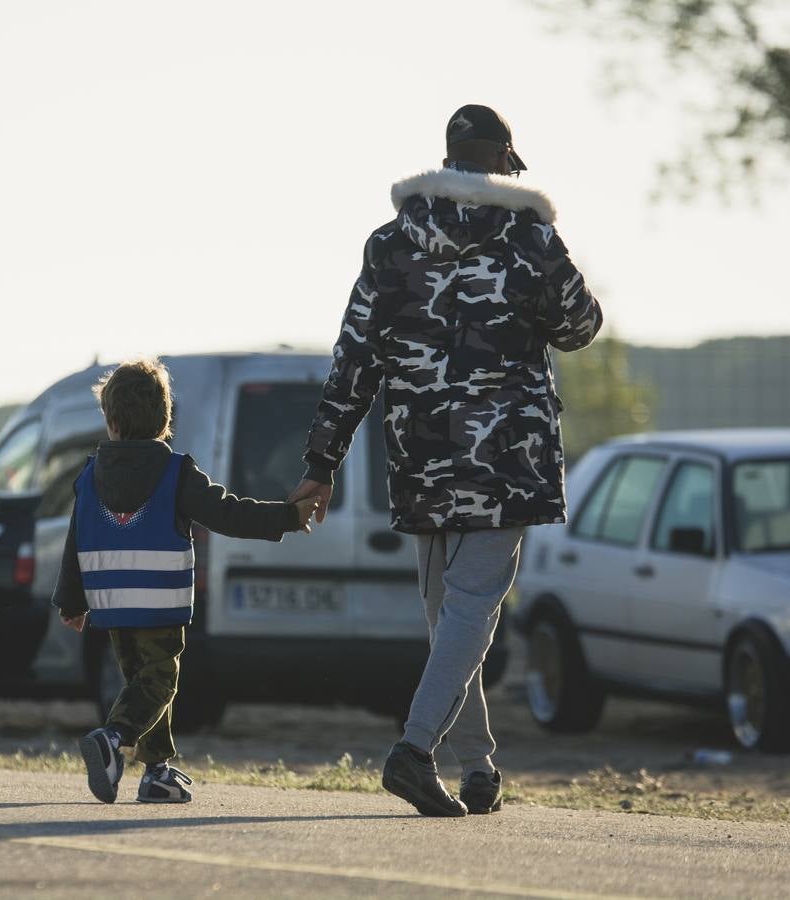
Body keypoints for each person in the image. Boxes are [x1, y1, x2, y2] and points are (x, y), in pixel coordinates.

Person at [290, 104, 603, 817]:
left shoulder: (390, 244)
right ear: (503, 163)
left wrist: (322, 460)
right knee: (469, 611)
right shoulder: (530, 239)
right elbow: (581, 328)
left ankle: (479, 765)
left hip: (422, 452)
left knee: (448, 615)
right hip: (506, 455)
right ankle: (413, 750)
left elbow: (354, 361)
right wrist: (544, 256)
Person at [55, 358, 320, 804]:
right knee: (161, 682)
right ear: (165, 422)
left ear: (112, 421)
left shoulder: (88, 475)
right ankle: (113, 739)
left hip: (114, 604)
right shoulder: (175, 472)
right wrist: (286, 517)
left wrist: (72, 601)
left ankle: (156, 773)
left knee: (142, 681)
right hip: (159, 600)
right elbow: (226, 512)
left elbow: (75, 538)